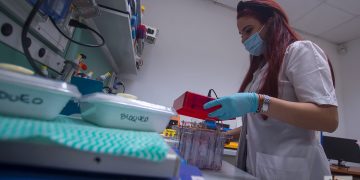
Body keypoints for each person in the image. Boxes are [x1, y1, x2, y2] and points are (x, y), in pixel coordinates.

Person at [203, 0, 338, 179]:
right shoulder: (261, 70)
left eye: (248, 30)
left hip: (297, 171)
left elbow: (327, 119)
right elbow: (265, 124)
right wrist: (225, 134)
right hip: (261, 170)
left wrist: (257, 103)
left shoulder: (300, 51)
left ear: (271, 23)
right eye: (241, 34)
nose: (243, 39)